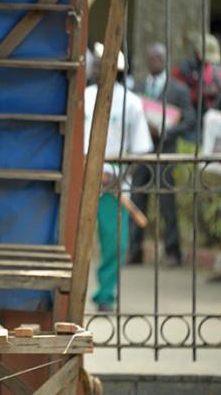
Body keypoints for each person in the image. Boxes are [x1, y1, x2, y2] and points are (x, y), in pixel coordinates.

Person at [84, 43, 154, 312]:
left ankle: (105, 294)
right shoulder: (84, 97)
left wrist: (119, 177)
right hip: (83, 176)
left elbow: (140, 150)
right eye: (98, 64)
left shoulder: (132, 102)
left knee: (115, 242)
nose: (99, 69)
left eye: (105, 64)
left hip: (115, 182)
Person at [128, 43, 196, 266]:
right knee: (137, 199)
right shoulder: (138, 87)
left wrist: (166, 131)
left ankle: (172, 251)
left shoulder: (178, 89)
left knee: (167, 202)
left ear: (164, 60)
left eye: (158, 58)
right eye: (151, 58)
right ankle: (134, 250)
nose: (154, 61)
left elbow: (189, 119)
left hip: (165, 151)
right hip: (142, 152)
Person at [172, 33, 221, 116]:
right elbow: (176, 95)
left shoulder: (213, 69)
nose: (208, 61)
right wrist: (200, 93)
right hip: (188, 114)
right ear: (197, 53)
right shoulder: (182, 69)